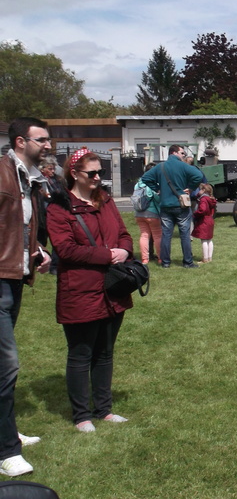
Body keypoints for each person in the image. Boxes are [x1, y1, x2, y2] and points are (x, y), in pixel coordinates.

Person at [46, 148, 133, 433]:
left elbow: (124, 234)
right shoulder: (59, 207)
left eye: (101, 173)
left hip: (112, 289)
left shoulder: (105, 201)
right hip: (80, 291)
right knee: (81, 354)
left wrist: (124, 250)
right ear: (74, 174)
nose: (98, 178)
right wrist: (108, 255)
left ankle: (104, 409)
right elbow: (66, 249)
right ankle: (82, 416)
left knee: (105, 352)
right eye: (92, 173)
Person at [0, 117, 52, 476]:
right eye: (42, 139)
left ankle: (5, 429)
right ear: (21, 141)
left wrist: (37, 250)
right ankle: (6, 450)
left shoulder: (28, 177)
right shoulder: (2, 173)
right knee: (7, 365)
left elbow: (19, 225)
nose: (48, 145)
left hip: (15, 276)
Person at [141, 145, 204, 269]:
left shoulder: (160, 167)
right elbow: (199, 175)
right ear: (174, 153)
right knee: (185, 234)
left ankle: (165, 262)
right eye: (182, 153)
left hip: (165, 205)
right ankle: (187, 262)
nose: (183, 155)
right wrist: (190, 188)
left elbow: (145, 178)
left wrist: (157, 188)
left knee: (166, 234)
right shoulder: (183, 166)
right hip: (181, 205)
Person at [133, 163, 161, 265]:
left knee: (144, 236)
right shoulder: (152, 184)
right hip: (152, 213)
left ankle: (145, 259)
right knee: (157, 235)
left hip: (139, 213)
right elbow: (157, 198)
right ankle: (160, 257)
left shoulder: (138, 184)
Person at [191, 183, 217, 263]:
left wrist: (195, 213)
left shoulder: (203, 199)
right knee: (209, 239)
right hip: (210, 219)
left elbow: (202, 210)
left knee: (204, 240)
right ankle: (209, 257)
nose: (199, 191)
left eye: (201, 189)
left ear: (204, 190)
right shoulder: (211, 199)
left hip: (204, 220)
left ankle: (205, 259)